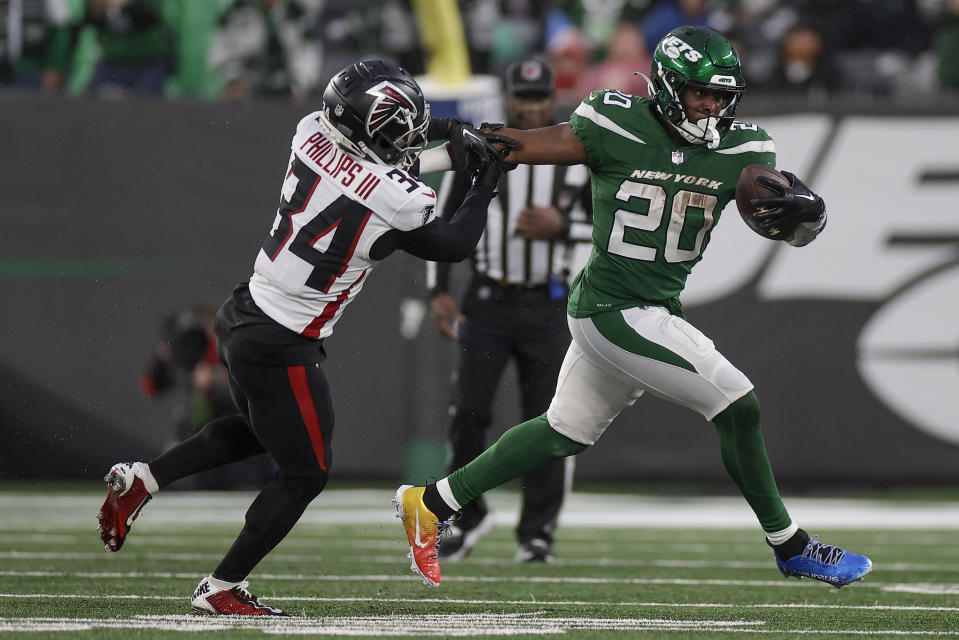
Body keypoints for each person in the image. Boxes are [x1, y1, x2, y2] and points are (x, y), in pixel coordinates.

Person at [395, 25, 873, 590]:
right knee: (737, 403)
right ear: (669, 86)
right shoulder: (614, 121)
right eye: (701, 93)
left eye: (722, 95)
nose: (712, 105)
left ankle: (431, 503)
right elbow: (517, 144)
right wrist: (420, 160)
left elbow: (779, 218)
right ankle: (791, 546)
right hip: (614, 307)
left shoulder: (743, 148)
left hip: (650, 304)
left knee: (560, 431)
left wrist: (804, 217)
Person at [97, 58, 509, 616]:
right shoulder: (394, 198)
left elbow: (388, 159)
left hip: (246, 310)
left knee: (258, 430)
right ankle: (222, 586)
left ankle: (144, 479)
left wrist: (452, 138)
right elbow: (454, 243)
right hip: (282, 340)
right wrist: (484, 181)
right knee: (305, 472)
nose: (410, 133)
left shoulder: (312, 131)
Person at [427, 58, 592, 563]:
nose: (531, 106)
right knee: (468, 412)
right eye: (522, 97)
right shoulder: (482, 148)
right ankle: (465, 517)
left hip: (548, 301)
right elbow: (444, 214)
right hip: (488, 298)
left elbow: (612, 229)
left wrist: (561, 227)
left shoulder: (578, 154)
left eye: (539, 97)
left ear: (551, 99)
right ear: (508, 98)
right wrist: (437, 287)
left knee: (547, 421)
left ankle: (537, 531)